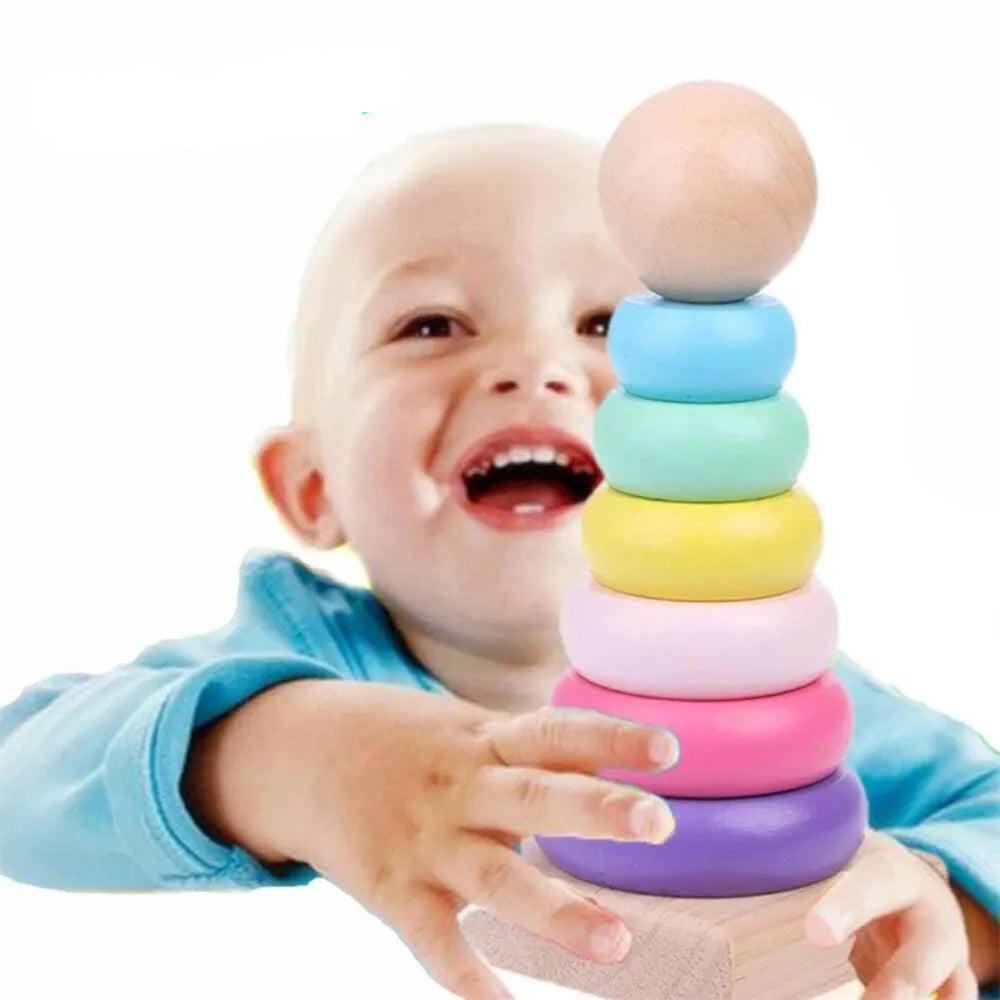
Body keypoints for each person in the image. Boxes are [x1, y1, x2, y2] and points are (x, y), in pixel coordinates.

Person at [0, 123, 996, 1000]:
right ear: (313, 487)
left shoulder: (766, 708)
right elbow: (20, 776)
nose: (535, 363)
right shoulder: (302, 666)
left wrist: (944, 902)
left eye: (605, 324)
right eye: (431, 324)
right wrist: (292, 758)